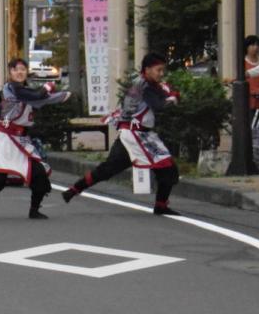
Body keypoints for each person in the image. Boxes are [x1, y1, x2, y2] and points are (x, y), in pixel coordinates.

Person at [62, 53, 182, 215]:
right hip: (133, 136)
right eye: (158, 70)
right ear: (147, 70)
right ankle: (74, 189)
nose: (161, 74)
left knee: (168, 169)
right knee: (109, 169)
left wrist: (169, 93)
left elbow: (161, 95)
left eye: (162, 70)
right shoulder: (144, 86)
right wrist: (172, 97)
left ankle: (161, 205)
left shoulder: (148, 84)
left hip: (144, 135)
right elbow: (159, 106)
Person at [0, 58, 71, 219]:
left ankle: (34, 209)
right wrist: (48, 88)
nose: (20, 72)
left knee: (39, 172)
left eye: (23, 69)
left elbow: (39, 100)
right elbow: (38, 95)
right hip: (7, 137)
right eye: (16, 69)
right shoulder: (12, 89)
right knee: (0, 176)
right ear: (10, 72)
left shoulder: (25, 90)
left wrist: (61, 96)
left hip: (22, 138)